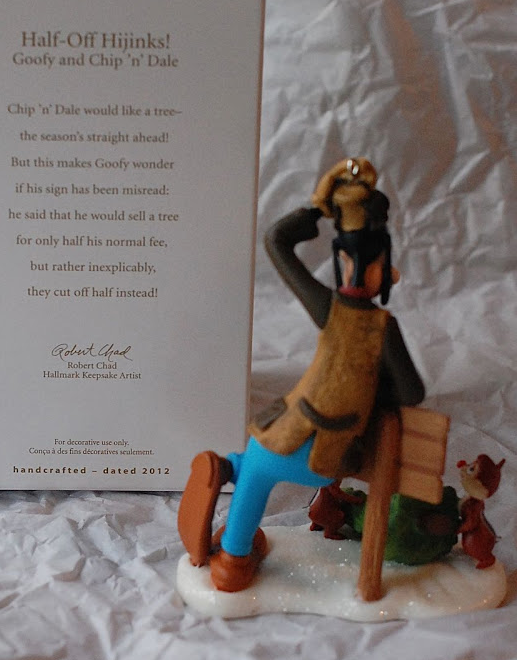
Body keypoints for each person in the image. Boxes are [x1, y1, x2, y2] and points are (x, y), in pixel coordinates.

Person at [178, 158, 425, 592]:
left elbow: (277, 241)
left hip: (318, 449)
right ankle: (230, 483)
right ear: (384, 272)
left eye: (356, 265)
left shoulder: (337, 311)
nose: (354, 273)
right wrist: (372, 390)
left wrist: (316, 209)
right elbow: (410, 391)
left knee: (255, 467)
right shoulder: (375, 325)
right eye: (352, 263)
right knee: (254, 459)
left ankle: (233, 557)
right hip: (310, 437)